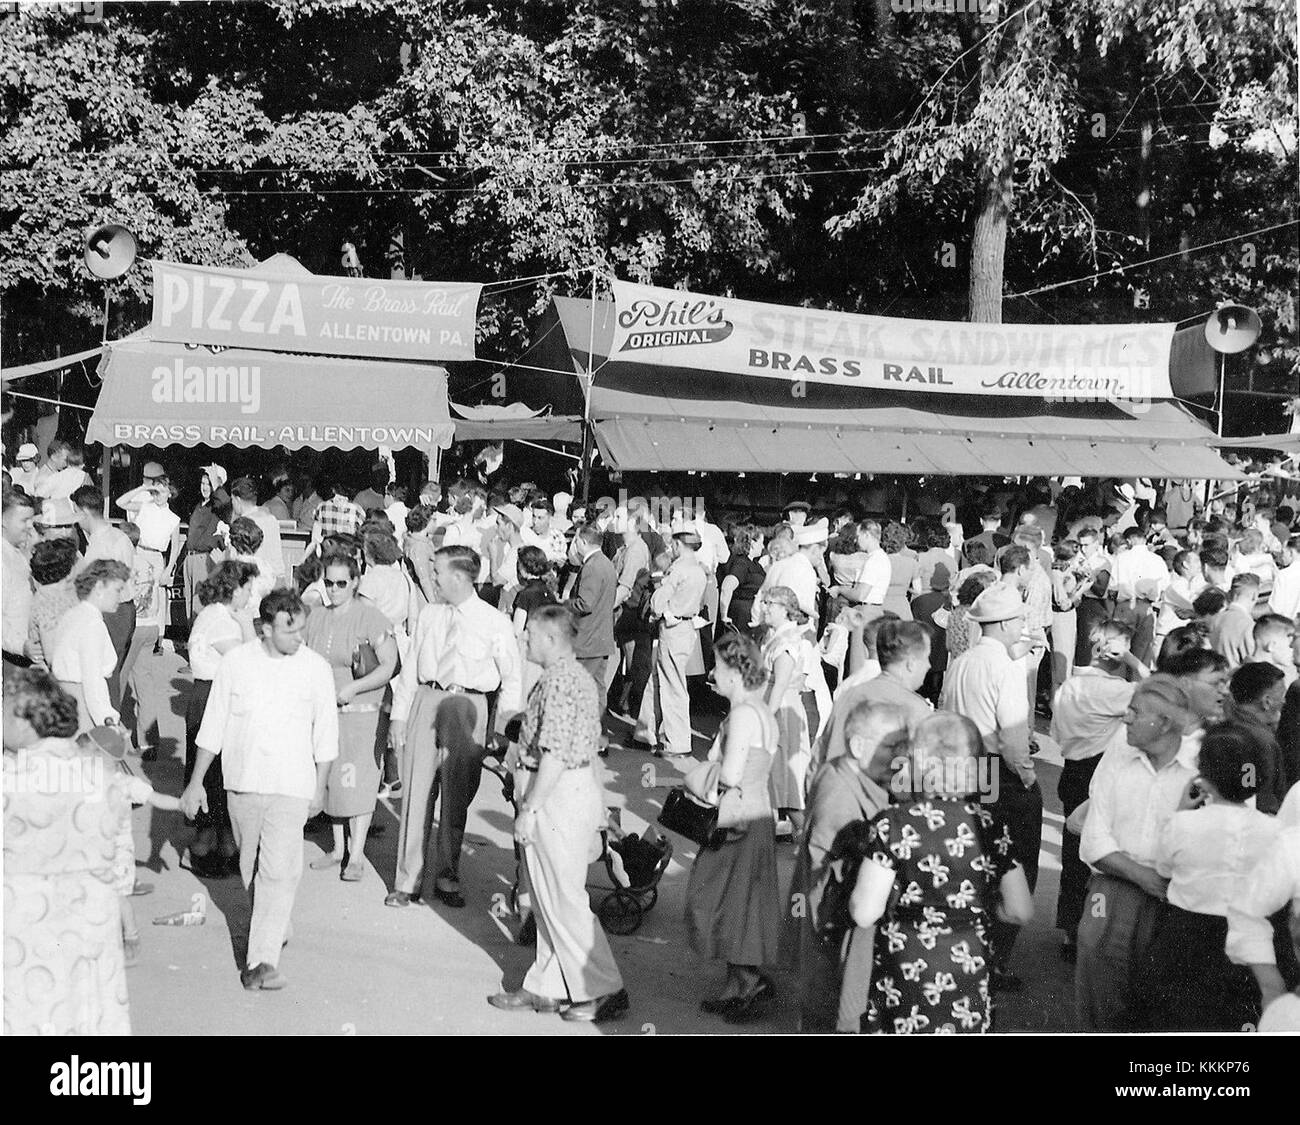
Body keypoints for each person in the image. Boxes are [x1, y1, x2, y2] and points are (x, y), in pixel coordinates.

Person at [183, 589, 339, 991]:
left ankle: (261, 962)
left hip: (292, 785)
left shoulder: (316, 668)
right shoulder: (236, 664)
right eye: (290, 631)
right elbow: (213, 727)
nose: (299, 638)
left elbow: (325, 734)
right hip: (243, 783)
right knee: (251, 868)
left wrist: (320, 788)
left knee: (281, 871)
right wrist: (197, 782)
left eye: (303, 629)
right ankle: (272, 926)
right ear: (265, 629)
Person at [850, 713, 1034, 1034]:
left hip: (905, 968)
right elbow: (1020, 910)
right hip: (969, 965)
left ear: (917, 764)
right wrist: (983, 910)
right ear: (974, 766)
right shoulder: (992, 826)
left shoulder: (894, 823)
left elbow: (865, 913)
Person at [488, 604, 628, 1021]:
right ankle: (544, 986)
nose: (523, 638)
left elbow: (554, 754)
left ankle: (605, 987)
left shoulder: (563, 683)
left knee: (564, 898)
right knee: (548, 897)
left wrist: (529, 808)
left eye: (529, 633)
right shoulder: (561, 678)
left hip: (556, 793)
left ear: (551, 639)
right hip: (559, 788)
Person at [387, 546, 522, 909]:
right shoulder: (430, 614)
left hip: (468, 706)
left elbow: (512, 679)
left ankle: (448, 875)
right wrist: (399, 717)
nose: (433, 576)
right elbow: (412, 668)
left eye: (438, 571)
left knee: (456, 796)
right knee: (415, 794)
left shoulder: (494, 622)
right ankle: (408, 879)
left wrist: (503, 730)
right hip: (427, 701)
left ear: (460, 577)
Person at [3, 667, 132, 1034]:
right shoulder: (102, 778)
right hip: (92, 921)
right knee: (87, 1013)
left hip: (25, 926)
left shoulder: (11, 779)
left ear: (25, 718)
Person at [1133, 724, 1281, 1030]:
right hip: (1248, 940)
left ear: (1204, 776)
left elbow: (1163, 870)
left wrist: (1180, 813)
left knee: (1174, 1017)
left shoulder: (1183, 825)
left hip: (1185, 936)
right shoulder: (1275, 832)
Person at [1076, 675, 1200, 1030]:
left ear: (1163, 723)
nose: (1125, 719)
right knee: (1098, 980)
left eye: (1134, 712)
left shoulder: (1197, 774)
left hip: (1174, 898)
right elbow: (1094, 843)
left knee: (1159, 1007)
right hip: (1111, 891)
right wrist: (1145, 877)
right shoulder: (1117, 761)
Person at [940, 582, 1042, 991]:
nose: (1023, 624)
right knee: (1014, 863)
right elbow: (1015, 737)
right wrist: (1028, 774)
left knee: (972, 863)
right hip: (1000, 770)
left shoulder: (962, 662)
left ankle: (967, 949)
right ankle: (995, 958)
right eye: (1018, 618)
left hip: (966, 768)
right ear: (1002, 623)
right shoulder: (1005, 668)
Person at [785, 702, 905, 1032]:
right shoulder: (840, 795)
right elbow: (824, 873)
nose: (900, 757)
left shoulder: (843, 770)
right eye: (892, 746)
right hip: (833, 926)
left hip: (830, 924)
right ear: (858, 746)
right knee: (828, 1006)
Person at [685, 633, 782, 1024]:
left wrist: (696, 775)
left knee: (716, 897)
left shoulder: (742, 715)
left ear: (734, 672)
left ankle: (748, 981)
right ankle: (739, 984)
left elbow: (729, 773)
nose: (713, 673)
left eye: (718, 667)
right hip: (756, 813)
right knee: (742, 902)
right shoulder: (759, 711)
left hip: (737, 817)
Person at [305, 554, 399, 882]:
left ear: (356, 582)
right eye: (328, 582)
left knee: (357, 780)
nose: (333, 589)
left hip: (362, 712)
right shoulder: (316, 617)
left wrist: (355, 687)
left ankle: (356, 854)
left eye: (341, 583)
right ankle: (336, 849)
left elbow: (389, 665)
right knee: (330, 778)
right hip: (324, 711)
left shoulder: (371, 618)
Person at [1050, 624, 1139, 962]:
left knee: (1073, 854)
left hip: (1071, 769)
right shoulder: (1119, 691)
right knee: (1103, 856)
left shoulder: (1067, 687)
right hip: (1102, 771)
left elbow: (1058, 735)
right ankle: (1098, 930)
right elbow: (1162, 694)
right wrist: (1134, 660)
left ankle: (1071, 929)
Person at [185, 559, 258, 877]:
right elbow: (251, 663)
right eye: (248, 589)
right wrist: (246, 625)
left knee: (219, 777)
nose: (250, 597)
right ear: (234, 589)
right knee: (214, 775)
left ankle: (223, 843)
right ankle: (202, 848)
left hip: (210, 696)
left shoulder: (213, 613)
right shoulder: (222, 621)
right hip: (214, 698)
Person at [761, 586, 826, 831]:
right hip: (775, 704)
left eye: (770, 604)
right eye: (765, 602)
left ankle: (807, 834)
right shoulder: (774, 636)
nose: (765, 608)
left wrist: (765, 719)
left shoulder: (786, 642)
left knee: (783, 779)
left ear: (785, 610)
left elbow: (780, 685)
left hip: (781, 710)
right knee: (776, 779)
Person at [821, 619, 932, 761]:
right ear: (911, 663)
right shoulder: (916, 709)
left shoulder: (850, 695)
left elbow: (823, 754)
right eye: (926, 657)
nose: (929, 665)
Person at [643, 529, 708, 758]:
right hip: (687, 626)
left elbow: (659, 600)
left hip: (672, 628)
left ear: (679, 545)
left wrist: (656, 606)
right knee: (661, 679)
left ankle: (676, 742)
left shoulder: (677, 569)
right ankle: (646, 732)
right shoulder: (700, 570)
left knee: (672, 685)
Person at [49, 559, 130, 735]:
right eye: (117, 590)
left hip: (63, 698)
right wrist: (107, 722)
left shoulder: (72, 614)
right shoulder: (93, 624)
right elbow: (93, 680)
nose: (120, 597)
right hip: (82, 704)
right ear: (99, 587)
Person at [72, 485, 136, 704]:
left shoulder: (99, 545)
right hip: (127, 611)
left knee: (104, 675)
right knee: (112, 672)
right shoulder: (120, 536)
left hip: (111, 614)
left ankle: (108, 728)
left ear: (85, 512)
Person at [1222, 661, 1288, 815]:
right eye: (1281, 695)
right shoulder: (1260, 742)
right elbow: (1259, 798)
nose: (1284, 701)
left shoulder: (1221, 729)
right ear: (1266, 702)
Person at [564, 522, 617, 693]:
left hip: (588, 639)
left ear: (584, 543)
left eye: (576, 541)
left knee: (579, 686)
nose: (575, 544)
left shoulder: (592, 566)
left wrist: (564, 604)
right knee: (597, 686)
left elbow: (585, 603)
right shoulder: (606, 563)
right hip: (600, 637)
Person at [25, 537, 80, 670]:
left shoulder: (65, 594)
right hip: (59, 677)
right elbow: (52, 655)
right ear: (68, 568)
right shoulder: (47, 603)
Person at [184, 464, 228, 622]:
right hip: (190, 558)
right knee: (189, 603)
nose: (204, 487)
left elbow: (224, 502)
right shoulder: (198, 505)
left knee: (200, 604)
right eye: (203, 483)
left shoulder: (218, 508)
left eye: (208, 483)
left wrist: (216, 484)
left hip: (203, 560)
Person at [826, 519, 889, 623]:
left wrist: (839, 589)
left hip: (865, 610)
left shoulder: (873, 561)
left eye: (858, 537)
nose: (856, 541)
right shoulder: (879, 557)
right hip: (872, 608)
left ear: (866, 535)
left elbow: (860, 594)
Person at [2, 486, 37, 666]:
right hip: (10, 659)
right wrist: (21, 646)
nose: (30, 526)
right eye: (24, 520)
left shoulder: (16, 553)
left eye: (31, 520)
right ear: (3, 520)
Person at [229, 476, 285, 584]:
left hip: (253, 582)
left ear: (237, 499)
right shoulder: (270, 518)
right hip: (275, 578)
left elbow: (237, 559)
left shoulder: (243, 524)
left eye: (232, 499)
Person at [719, 523, 766, 637]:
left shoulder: (754, 564)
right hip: (741, 616)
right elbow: (727, 587)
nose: (763, 547)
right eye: (761, 542)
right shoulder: (741, 563)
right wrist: (724, 615)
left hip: (750, 613)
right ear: (753, 543)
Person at [1211, 573, 1260, 669]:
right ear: (1254, 596)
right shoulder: (1247, 624)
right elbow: (1252, 665)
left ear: (1229, 594)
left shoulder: (1216, 619)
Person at [880, 521, 916, 620]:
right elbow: (916, 588)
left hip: (882, 605)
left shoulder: (879, 559)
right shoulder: (912, 556)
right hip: (902, 605)